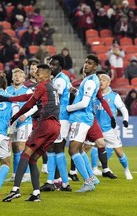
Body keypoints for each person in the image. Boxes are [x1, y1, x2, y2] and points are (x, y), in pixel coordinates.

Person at [1, 64, 61, 202]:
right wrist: (8, 99)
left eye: (38, 73)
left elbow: (29, 103)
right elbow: (27, 98)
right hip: (55, 127)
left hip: (45, 124)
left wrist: (15, 117)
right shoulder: (51, 88)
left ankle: (15, 190)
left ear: (46, 75)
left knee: (25, 154)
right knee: (33, 159)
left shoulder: (42, 86)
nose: (36, 75)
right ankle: (36, 193)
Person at [66, 54, 101, 192]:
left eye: (90, 63)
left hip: (81, 118)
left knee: (73, 150)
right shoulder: (88, 80)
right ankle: (92, 177)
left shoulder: (91, 81)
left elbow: (85, 103)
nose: (86, 65)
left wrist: (68, 108)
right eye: (86, 62)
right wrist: (76, 91)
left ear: (95, 67)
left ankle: (88, 181)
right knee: (79, 149)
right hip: (82, 118)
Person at [39, 54, 72, 192]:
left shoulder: (59, 81)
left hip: (60, 117)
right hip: (61, 117)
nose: (51, 66)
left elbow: (54, 99)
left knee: (55, 148)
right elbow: (72, 91)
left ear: (60, 67)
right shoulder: (62, 79)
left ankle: (59, 182)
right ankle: (58, 182)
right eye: (50, 64)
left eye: (54, 65)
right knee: (54, 148)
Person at [94, 73, 133, 180]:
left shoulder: (114, 96)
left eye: (104, 80)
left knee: (119, 152)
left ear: (109, 82)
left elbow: (123, 109)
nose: (101, 82)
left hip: (109, 129)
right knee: (88, 147)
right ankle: (92, 170)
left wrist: (125, 120)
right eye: (100, 80)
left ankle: (126, 170)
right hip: (95, 128)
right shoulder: (94, 94)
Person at [5, 68, 37, 183]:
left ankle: (27, 174)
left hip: (24, 122)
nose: (17, 77)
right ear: (12, 77)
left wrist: (26, 115)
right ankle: (15, 174)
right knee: (14, 148)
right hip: (12, 123)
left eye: (20, 76)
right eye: (15, 75)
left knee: (22, 147)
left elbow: (35, 106)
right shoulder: (7, 90)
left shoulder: (27, 91)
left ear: (24, 79)